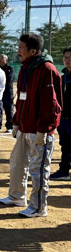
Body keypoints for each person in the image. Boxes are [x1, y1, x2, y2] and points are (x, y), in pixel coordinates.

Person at [0, 33, 62, 217]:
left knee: (38, 169)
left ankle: (38, 207)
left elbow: (51, 104)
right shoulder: (26, 68)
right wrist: (16, 121)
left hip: (39, 130)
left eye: (21, 47)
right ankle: (17, 196)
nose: (18, 50)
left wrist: (44, 130)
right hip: (25, 127)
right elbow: (22, 98)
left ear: (33, 51)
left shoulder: (46, 69)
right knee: (17, 163)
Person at [46, 47, 71, 181]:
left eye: (70, 58)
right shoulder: (62, 78)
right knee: (65, 146)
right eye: (66, 57)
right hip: (63, 118)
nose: (68, 60)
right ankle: (64, 170)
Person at [0, 54, 15, 133]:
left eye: (2, 58)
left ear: (6, 60)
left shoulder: (10, 69)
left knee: (9, 110)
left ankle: (9, 126)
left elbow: (9, 79)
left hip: (8, 93)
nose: (0, 60)